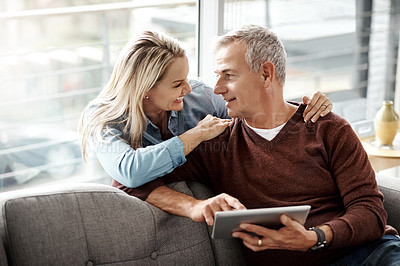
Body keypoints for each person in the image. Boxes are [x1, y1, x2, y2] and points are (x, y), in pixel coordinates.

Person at [113, 25, 400, 265]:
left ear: (265, 74)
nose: (216, 88)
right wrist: (194, 207)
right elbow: (129, 183)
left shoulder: (328, 127)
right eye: (217, 76)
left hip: (370, 256)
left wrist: (315, 237)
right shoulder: (218, 143)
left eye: (228, 75)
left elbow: (371, 214)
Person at [78, 30, 332, 189]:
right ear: (144, 88)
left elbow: (252, 113)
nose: (188, 89)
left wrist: (302, 107)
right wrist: (195, 136)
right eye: (177, 84)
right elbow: (130, 172)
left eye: (186, 78)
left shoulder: (199, 96)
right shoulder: (105, 117)